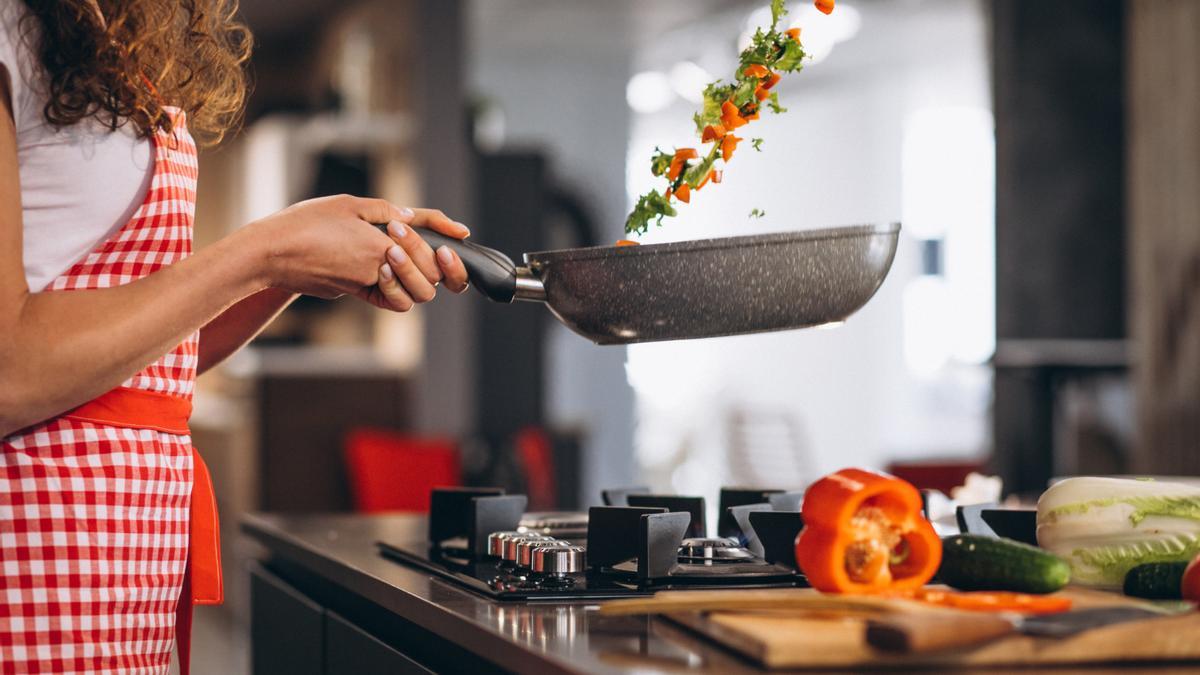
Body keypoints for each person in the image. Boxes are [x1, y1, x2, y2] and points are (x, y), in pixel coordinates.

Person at [0, 0, 470, 671]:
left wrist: (295, 271)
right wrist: (264, 252)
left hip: (124, 569)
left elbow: (147, 364)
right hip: (32, 540)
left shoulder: (104, 38)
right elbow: (10, 371)